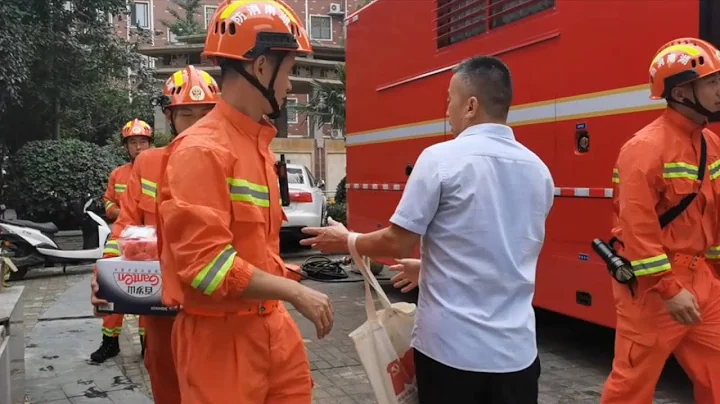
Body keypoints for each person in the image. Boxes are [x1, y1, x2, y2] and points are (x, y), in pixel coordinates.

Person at [302, 55, 554, 404]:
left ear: (471, 106)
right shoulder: (539, 170)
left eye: (449, 99)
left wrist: (349, 241)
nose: (446, 109)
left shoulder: (441, 159)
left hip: (452, 355)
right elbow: (504, 251)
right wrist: (431, 267)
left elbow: (398, 241)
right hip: (518, 358)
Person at [154, 2, 333, 402]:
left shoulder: (256, 146)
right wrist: (295, 293)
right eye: (289, 70)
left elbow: (253, 246)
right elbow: (205, 265)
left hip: (270, 328)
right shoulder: (201, 150)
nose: (290, 84)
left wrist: (288, 275)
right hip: (219, 343)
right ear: (262, 67)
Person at [600, 38, 720, 404]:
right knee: (631, 387)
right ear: (682, 90)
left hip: (701, 278)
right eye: (713, 82)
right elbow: (636, 229)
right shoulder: (644, 148)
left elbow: (712, 217)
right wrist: (668, 288)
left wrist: (713, 270)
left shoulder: (710, 144)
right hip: (654, 289)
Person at [91, 65, 219, 404]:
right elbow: (124, 228)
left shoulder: (230, 164)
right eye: (186, 113)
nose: (196, 122)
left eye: (206, 113)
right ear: (170, 116)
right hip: (158, 304)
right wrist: (103, 277)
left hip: (214, 307)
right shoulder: (147, 167)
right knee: (166, 383)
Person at [91, 119, 151, 363]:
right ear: (126, 147)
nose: (138, 147)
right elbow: (108, 202)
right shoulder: (118, 174)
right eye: (133, 142)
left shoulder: (159, 170)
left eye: (142, 141)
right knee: (108, 284)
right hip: (121, 236)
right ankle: (110, 341)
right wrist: (123, 212)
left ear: (149, 143)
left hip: (150, 238)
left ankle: (149, 344)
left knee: (149, 288)